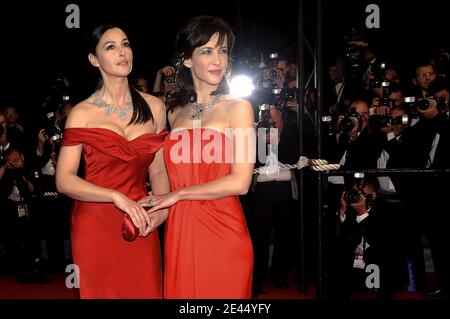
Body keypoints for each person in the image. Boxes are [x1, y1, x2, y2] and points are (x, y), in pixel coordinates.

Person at [141, 16, 255, 299]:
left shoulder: (239, 108)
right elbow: (165, 174)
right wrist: (159, 206)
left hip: (224, 230)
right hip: (180, 229)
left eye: (223, 50)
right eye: (207, 51)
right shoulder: (174, 112)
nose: (218, 60)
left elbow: (240, 182)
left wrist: (176, 196)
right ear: (188, 60)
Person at [55, 24, 169, 298]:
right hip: (95, 223)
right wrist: (115, 196)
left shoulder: (155, 107)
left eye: (126, 44)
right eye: (111, 47)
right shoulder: (82, 113)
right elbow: (64, 180)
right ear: (94, 60)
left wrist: (162, 211)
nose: (122, 52)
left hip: (141, 221)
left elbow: (160, 172)